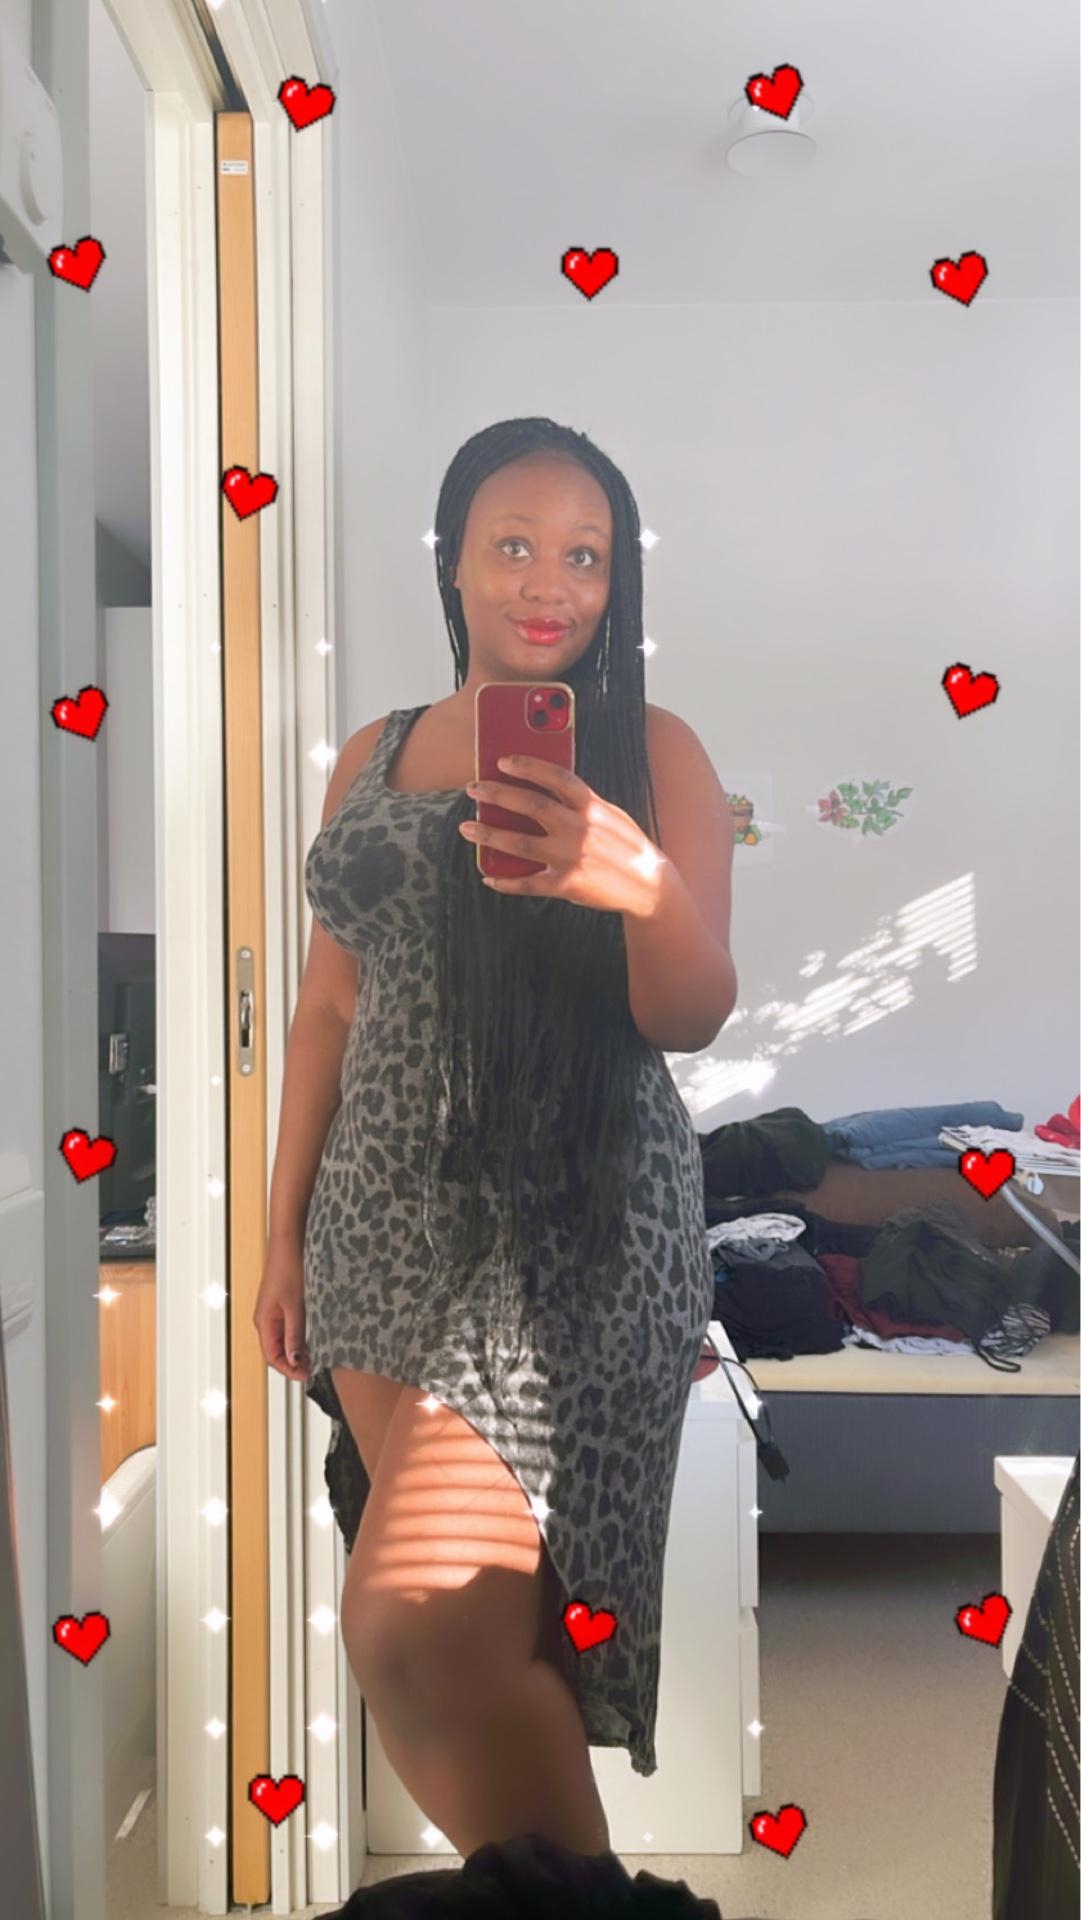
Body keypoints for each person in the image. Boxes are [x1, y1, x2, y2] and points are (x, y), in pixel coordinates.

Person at [253, 416, 737, 1862]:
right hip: (381, 1217)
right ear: (453, 561)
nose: (549, 584)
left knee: (414, 1614)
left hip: (579, 1215)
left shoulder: (652, 748)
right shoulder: (374, 751)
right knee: (467, 1640)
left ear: (617, 579)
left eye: (585, 556)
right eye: (514, 546)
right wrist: (278, 1237)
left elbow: (691, 1014)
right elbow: (328, 1006)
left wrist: (641, 886)